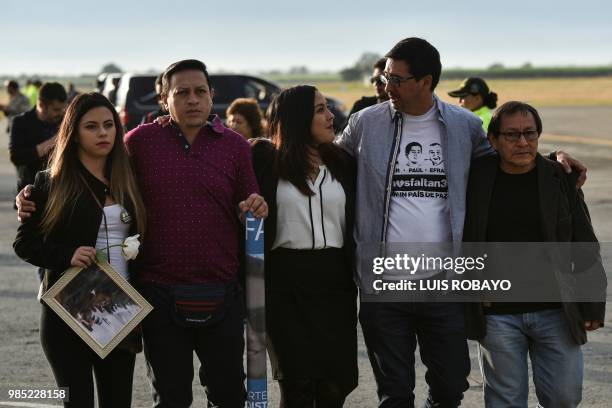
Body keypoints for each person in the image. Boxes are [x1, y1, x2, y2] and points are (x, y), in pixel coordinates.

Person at [337, 37, 587, 408]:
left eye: (396, 79)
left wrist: (555, 159)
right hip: (384, 285)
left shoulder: (464, 125)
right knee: (395, 393)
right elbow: (326, 162)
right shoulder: (365, 123)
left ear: (426, 81)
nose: (385, 86)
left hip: (446, 285)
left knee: (451, 387)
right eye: (386, 77)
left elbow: (510, 161)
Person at [463, 101, 606, 408]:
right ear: (493, 140)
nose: (523, 142)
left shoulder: (559, 177)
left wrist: (592, 303)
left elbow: (584, 243)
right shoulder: (474, 179)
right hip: (497, 314)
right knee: (505, 400)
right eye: (512, 135)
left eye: (530, 133)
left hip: (556, 310)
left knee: (564, 398)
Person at [13, 92, 147, 408]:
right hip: (67, 311)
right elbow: (25, 243)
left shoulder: (130, 179)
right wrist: (67, 255)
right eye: (91, 126)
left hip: (119, 310)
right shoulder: (50, 182)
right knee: (77, 402)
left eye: (108, 125)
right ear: (73, 133)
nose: (103, 133)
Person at [251, 85, 358, 407]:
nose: (330, 116)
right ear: (297, 118)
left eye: (328, 108)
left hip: (335, 283)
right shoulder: (265, 160)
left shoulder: (344, 163)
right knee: (297, 385)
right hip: (284, 284)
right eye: (319, 110)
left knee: (336, 386)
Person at [10, 82, 67, 199]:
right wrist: (52, 142)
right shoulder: (21, 122)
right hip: (31, 192)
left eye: (62, 109)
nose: (61, 113)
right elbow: (16, 157)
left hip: (61, 192)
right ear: (41, 104)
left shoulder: (65, 120)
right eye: (56, 109)